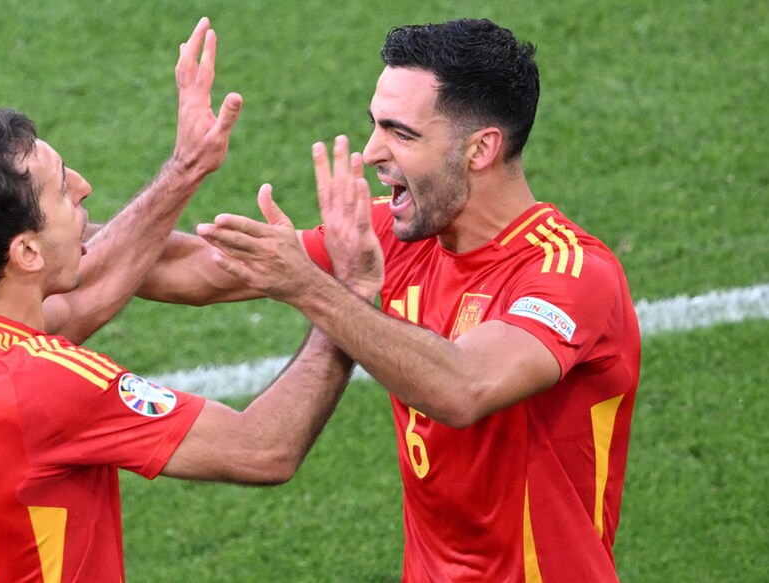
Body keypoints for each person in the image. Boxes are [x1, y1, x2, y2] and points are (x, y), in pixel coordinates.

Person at [0, 19, 377, 582]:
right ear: (27, 253)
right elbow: (263, 449)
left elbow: (89, 294)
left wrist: (188, 167)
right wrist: (343, 298)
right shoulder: (49, 386)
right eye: (63, 188)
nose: (84, 186)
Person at [136, 18, 642, 582]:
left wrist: (312, 285)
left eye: (402, 134)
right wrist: (40, 233)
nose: (374, 152)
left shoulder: (569, 273)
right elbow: (187, 269)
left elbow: (463, 387)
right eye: (375, 126)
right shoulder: (394, 239)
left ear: (480, 149)